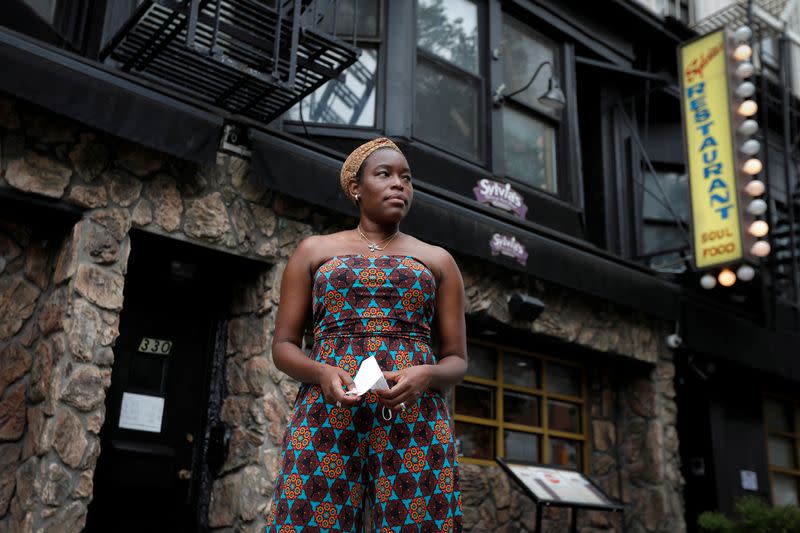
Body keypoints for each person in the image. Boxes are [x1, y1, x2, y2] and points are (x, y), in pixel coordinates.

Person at [265, 137, 467, 532]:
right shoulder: (314, 251)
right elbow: (284, 346)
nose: (399, 185)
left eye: (406, 178)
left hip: (414, 417)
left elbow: (457, 358)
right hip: (327, 413)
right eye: (385, 174)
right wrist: (322, 373)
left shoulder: (437, 259)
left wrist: (426, 375)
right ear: (356, 188)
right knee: (309, 522)